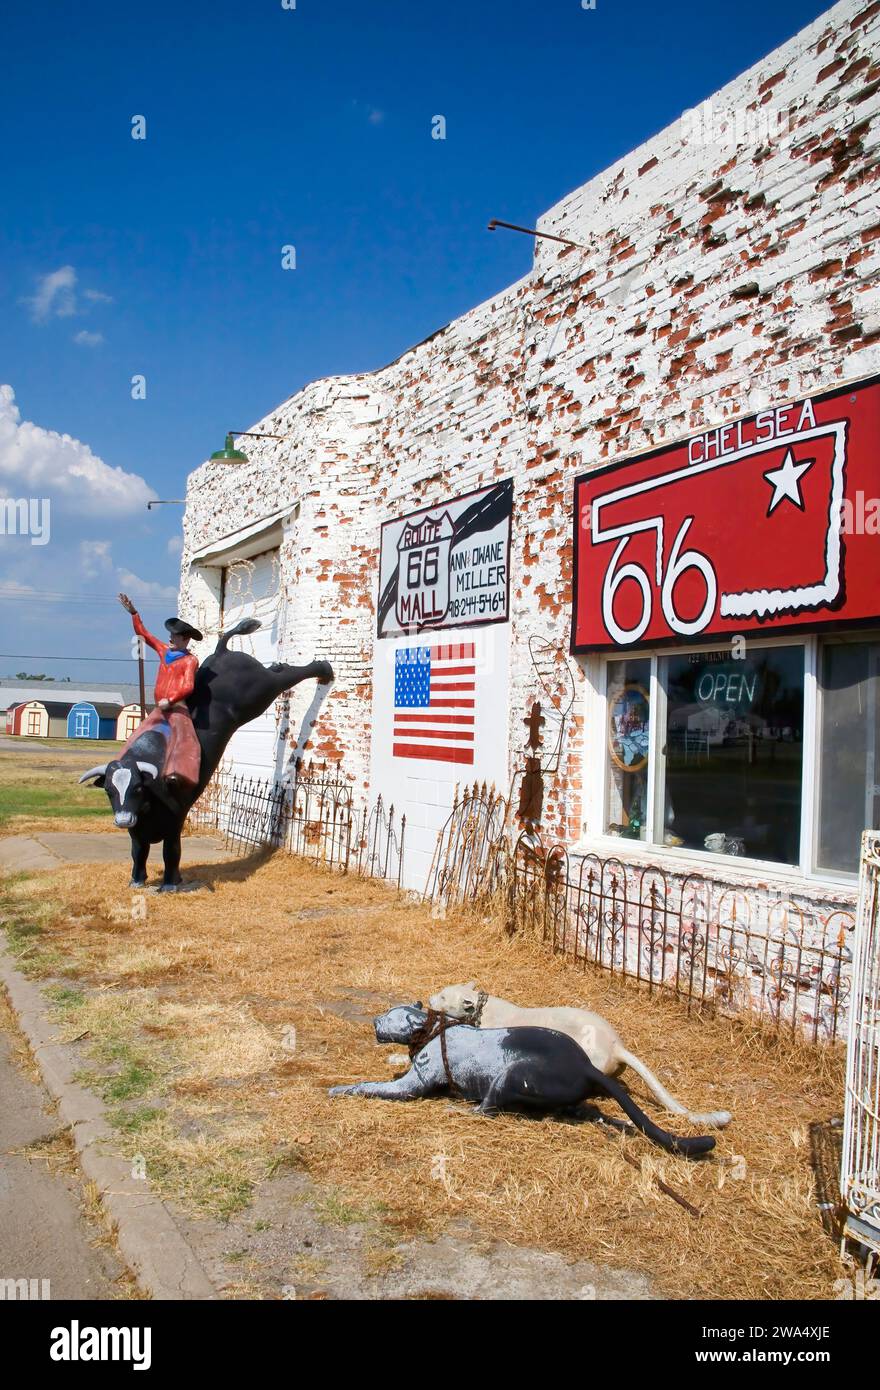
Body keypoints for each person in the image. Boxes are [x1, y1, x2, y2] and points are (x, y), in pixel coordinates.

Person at [118, 593, 203, 789]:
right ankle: (120, 766)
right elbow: (144, 635)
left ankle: (177, 773)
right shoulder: (164, 651)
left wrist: (171, 699)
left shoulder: (190, 660)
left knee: (184, 739)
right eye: (171, 635)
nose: (170, 637)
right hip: (160, 708)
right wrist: (134, 613)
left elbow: (188, 685)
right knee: (140, 732)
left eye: (174, 635)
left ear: (184, 639)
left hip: (177, 708)